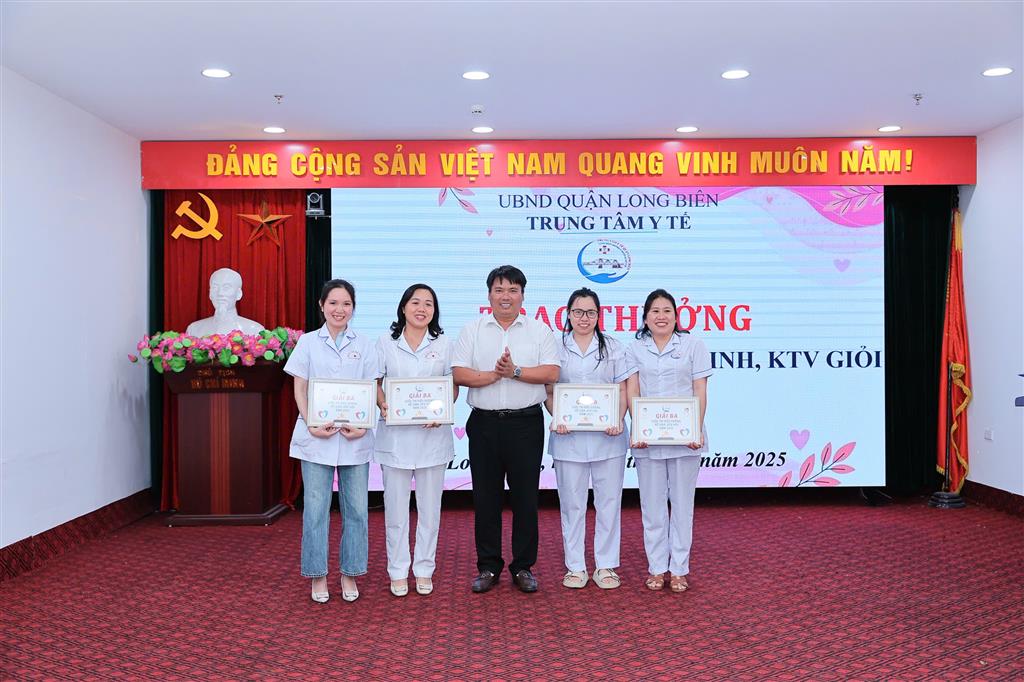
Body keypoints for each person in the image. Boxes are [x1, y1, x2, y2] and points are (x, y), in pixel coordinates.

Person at [451, 265, 560, 593]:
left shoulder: (539, 330)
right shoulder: (472, 330)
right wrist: (494, 375)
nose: (506, 296)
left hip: (526, 424)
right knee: (486, 498)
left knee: (526, 499)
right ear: (489, 295)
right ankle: (488, 566)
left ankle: (523, 566)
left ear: (523, 295)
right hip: (484, 424)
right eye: (499, 290)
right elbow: (459, 373)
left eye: (513, 290)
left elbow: (551, 372)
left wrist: (515, 371)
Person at [284, 279, 379, 604]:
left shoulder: (365, 344)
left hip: (354, 438)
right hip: (316, 437)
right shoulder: (308, 342)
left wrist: (363, 425)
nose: (340, 309)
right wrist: (310, 420)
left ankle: (350, 573)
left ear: (353, 308)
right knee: (315, 510)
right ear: (322, 306)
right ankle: (318, 575)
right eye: (334, 303)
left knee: (357, 510)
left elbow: (371, 388)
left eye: (346, 304)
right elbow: (300, 387)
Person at [545, 287, 636, 590]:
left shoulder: (614, 347)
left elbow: (622, 389)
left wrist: (617, 419)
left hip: (608, 439)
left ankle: (606, 565)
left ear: (599, 315)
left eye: (590, 312)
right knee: (572, 505)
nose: (584, 318)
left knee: (608, 503)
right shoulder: (554, 348)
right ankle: (575, 567)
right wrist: (557, 416)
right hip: (568, 440)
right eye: (578, 312)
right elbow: (549, 391)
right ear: (568, 314)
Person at [374, 284, 458, 598]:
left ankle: (424, 569)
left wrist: (443, 409)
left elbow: (452, 385)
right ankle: (397, 571)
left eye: (428, 304)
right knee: (395, 512)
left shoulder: (444, 343)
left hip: (432, 437)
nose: (421, 309)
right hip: (395, 439)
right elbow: (375, 382)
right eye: (415, 302)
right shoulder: (385, 341)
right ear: (403, 307)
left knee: (430, 512)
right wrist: (383, 404)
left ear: (435, 311)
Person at [625, 289, 711, 594]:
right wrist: (638, 428)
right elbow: (632, 390)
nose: (661, 316)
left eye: (667, 311)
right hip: (648, 441)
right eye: (655, 311)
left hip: (685, 440)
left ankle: (679, 569)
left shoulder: (693, 345)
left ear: (676, 316)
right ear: (645, 317)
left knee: (683, 505)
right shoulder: (634, 348)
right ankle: (657, 567)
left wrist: (695, 429)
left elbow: (699, 390)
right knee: (652, 506)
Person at [185, 267, 264, 336]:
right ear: (210, 293)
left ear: (239, 294)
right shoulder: (194, 330)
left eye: (226, 287)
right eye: (215, 287)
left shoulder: (255, 330)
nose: (220, 293)